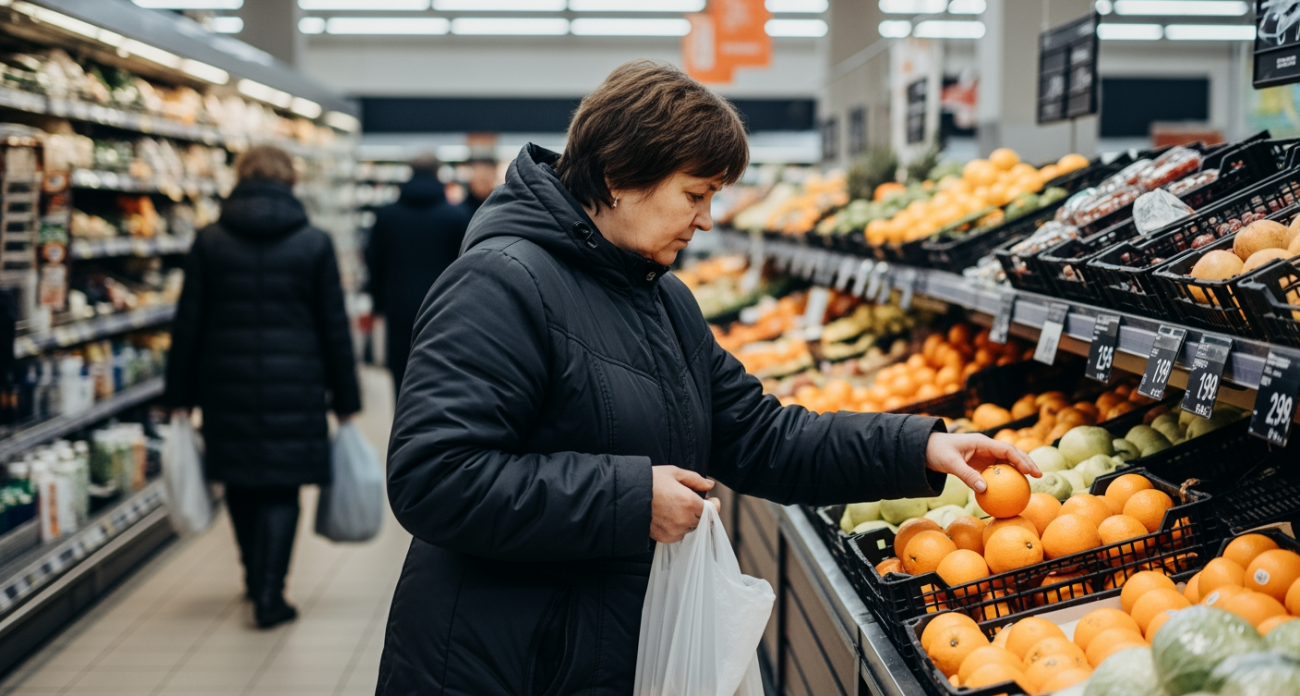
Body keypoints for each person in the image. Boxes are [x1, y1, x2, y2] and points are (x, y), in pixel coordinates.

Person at [373, 61, 1039, 695]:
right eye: (695, 194)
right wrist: (631, 500)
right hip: (501, 664)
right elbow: (433, 476)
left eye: (714, 196)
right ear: (618, 175)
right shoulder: (500, 284)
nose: (707, 219)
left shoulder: (661, 301)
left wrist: (916, 446)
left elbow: (762, 436)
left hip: (603, 654)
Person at [164, 145, 361, 630]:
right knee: (281, 488)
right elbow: (334, 328)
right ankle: (271, 593)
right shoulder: (313, 242)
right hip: (295, 385)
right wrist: (347, 401)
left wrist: (179, 397)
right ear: (290, 182)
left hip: (224, 385)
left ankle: (254, 578)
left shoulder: (209, 241)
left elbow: (187, 324)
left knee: (241, 483)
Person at [364, 154, 470, 395]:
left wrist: (378, 304)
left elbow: (374, 262)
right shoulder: (456, 216)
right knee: (440, 378)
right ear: (438, 173)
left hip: (398, 307)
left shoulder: (386, 216)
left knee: (402, 381)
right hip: (443, 309)